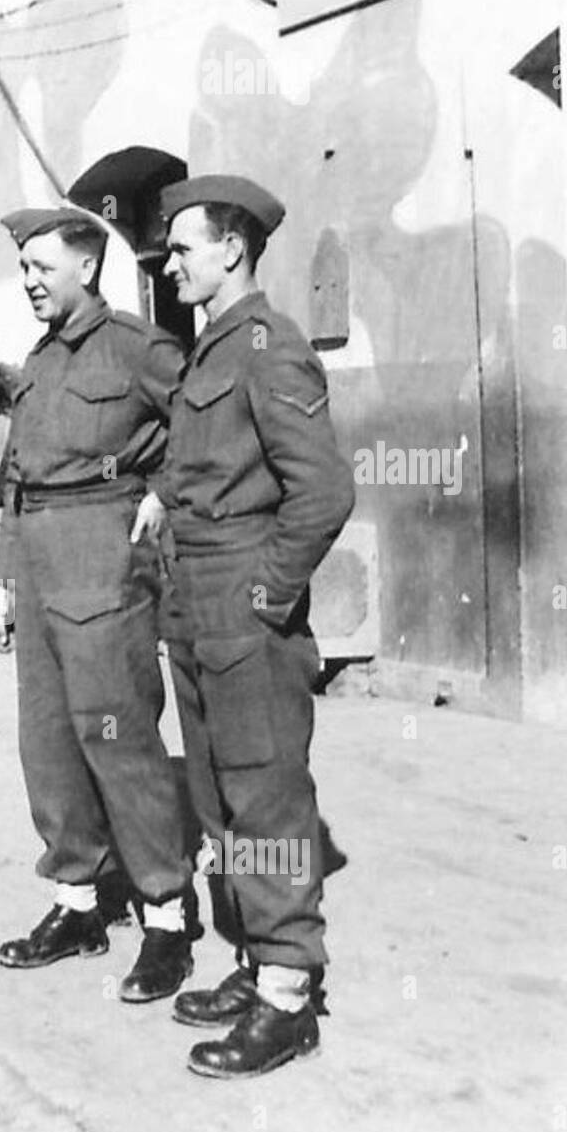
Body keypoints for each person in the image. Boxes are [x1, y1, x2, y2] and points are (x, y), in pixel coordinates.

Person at [130, 174, 356, 1077]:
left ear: (233, 249)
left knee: (265, 794)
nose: (170, 262)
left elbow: (324, 490)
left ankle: (289, 995)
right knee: (220, 797)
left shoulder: (268, 347)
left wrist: (267, 595)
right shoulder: (207, 353)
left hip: (241, 604)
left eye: (183, 247)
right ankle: (257, 959)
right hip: (194, 599)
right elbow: (207, 469)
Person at [0, 207, 198, 1004]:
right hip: (40, 557)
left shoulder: (139, 348)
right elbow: (21, 474)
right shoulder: (38, 361)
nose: (30, 280)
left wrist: (163, 493)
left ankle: (166, 916)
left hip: (103, 551)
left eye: (43, 266)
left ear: (87, 267)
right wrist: (7, 575)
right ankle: (77, 900)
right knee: (46, 739)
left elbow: (205, 425)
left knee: (116, 732)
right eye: (25, 269)